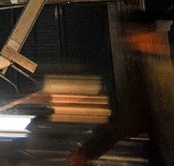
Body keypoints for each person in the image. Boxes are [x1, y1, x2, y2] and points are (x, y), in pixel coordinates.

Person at [68, 10, 174, 165]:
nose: (129, 40)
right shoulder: (158, 67)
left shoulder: (149, 73)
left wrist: (88, 151)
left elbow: (128, 121)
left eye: (132, 34)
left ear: (146, 33)